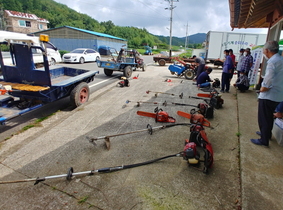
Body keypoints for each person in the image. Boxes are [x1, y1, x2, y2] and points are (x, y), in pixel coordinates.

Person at [250, 41, 283, 147]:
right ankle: (266, 134)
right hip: (278, 95)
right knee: (269, 117)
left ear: (267, 50)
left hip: (269, 95)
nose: (264, 51)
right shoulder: (280, 59)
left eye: (264, 49)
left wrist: (262, 89)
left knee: (264, 118)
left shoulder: (272, 61)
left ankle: (264, 140)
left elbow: (268, 78)